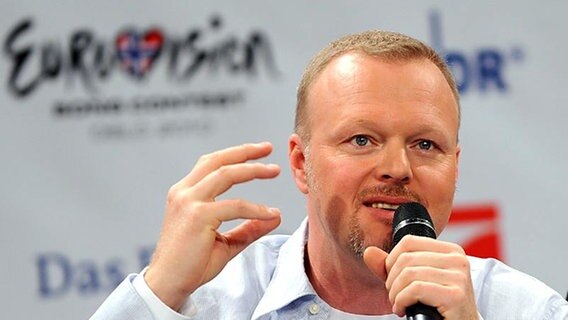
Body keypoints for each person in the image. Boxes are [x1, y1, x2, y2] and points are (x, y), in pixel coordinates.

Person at [91, 30, 568, 319]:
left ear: (455, 167)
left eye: (425, 145)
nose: (397, 169)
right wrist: (159, 292)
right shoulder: (208, 306)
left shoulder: (523, 309)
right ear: (302, 164)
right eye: (362, 140)